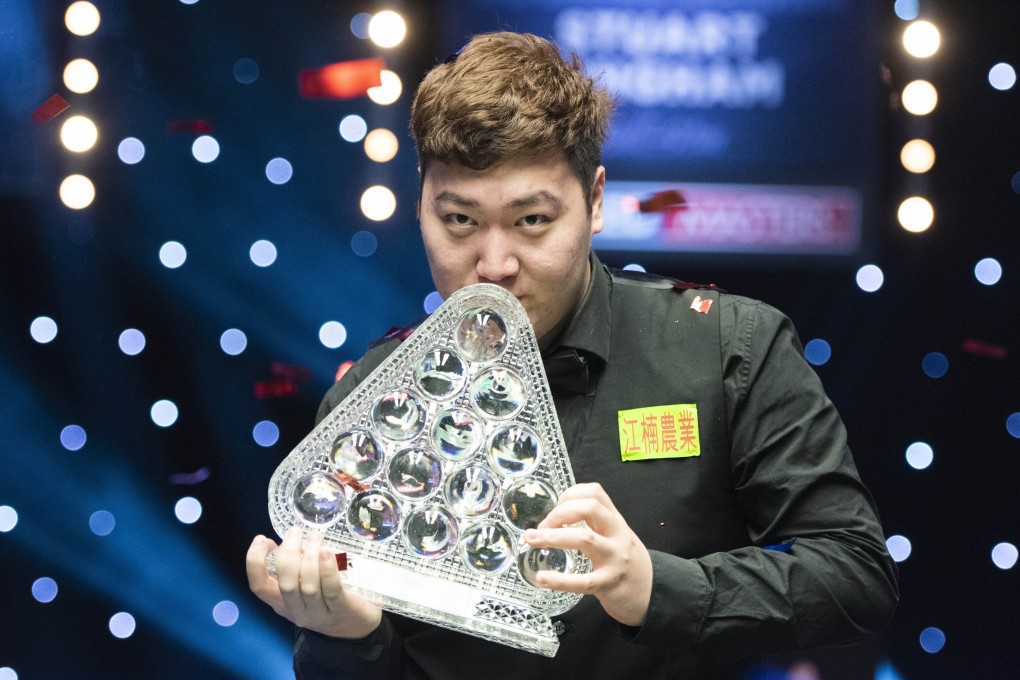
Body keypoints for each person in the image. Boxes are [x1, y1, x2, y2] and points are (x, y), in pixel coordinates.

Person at [246, 31, 899, 679]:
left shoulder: (731, 345)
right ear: (420, 206)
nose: (494, 265)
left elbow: (855, 573)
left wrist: (655, 588)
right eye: (460, 221)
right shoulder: (376, 395)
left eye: (532, 221)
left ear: (595, 201)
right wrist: (346, 636)